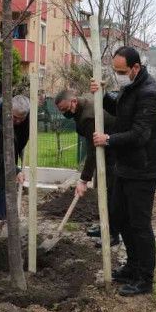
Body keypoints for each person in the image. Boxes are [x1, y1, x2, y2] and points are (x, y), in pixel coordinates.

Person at [91, 46, 156, 297]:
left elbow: (140, 134)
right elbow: (119, 110)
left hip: (143, 170)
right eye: (115, 71)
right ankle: (132, 266)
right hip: (126, 168)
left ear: (136, 67)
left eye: (121, 71)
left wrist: (108, 139)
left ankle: (145, 278)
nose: (118, 75)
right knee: (120, 217)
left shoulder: (150, 94)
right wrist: (102, 95)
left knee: (139, 225)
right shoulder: (131, 88)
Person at [54, 90, 119, 247]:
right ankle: (104, 226)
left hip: (114, 152)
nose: (64, 113)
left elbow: (92, 151)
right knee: (101, 190)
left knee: (110, 194)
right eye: (61, 110)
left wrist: (83, 180)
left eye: (64, 109)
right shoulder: (82, 107)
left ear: (74, 101)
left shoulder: (88, 117)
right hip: (106, 150)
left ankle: (113, 234)